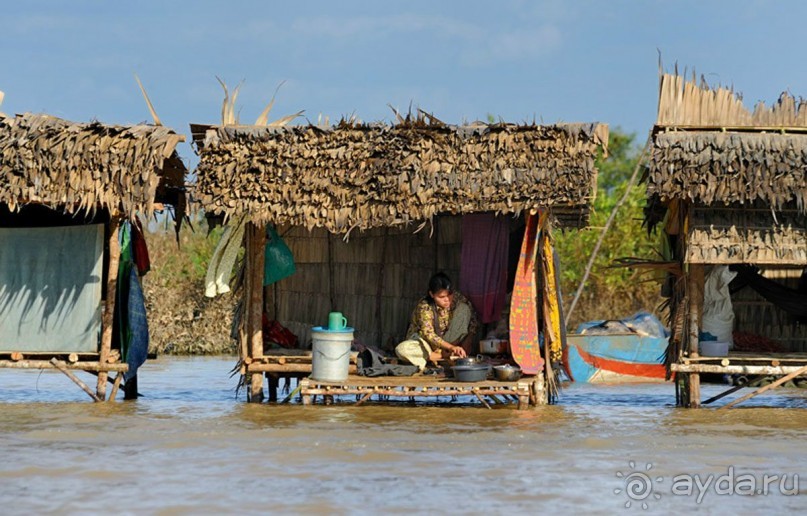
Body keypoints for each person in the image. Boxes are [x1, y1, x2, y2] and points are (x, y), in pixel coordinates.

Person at [395, 272, 479, 371]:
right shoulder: (424, 307)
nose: (447, 300)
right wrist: (451, 348)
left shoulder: (457, 298)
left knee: (464, 309)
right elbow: (428, 334)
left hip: (447, 341)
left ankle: (444, 354)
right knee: (402, 350)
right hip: (425, 345)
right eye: (442, 297)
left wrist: (468, 341)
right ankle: (437, 356)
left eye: (449, 295)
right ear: (432, 294)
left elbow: (472, 315)